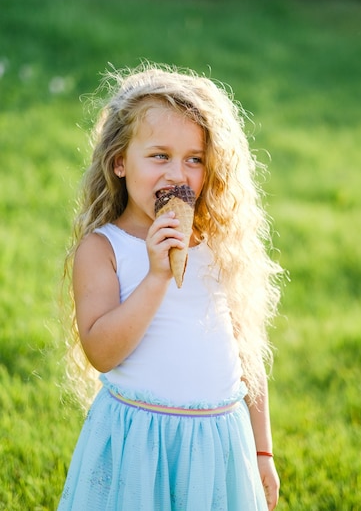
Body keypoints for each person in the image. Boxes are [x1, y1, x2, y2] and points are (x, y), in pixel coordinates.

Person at [59, 63, 283, 510]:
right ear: (119, 161)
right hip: (140, 444)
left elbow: (246, 355)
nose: (178, 174)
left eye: (194, 159)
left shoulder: (219, 247)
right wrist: (157, 275)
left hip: (218, 442)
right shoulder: (104, 249)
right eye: (159, 156)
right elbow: (101, 351)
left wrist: (262, 450)